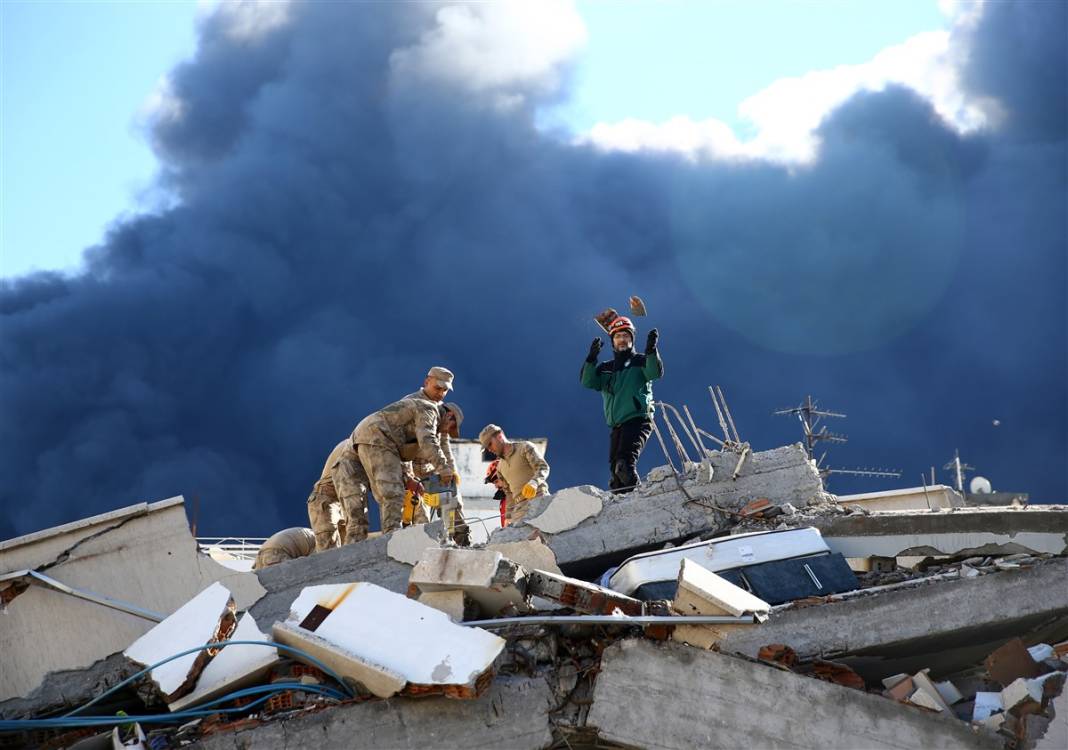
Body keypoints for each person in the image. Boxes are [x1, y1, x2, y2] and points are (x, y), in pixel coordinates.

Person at [580, 316, 663, 493]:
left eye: (626, 335)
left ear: (632, 339)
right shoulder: (605, 368)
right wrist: (591, 358)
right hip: (617, 425)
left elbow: (654, 372)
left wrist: (651, 350)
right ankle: (623, 507)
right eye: (618, 336)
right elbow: (588, 382)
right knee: (616, 476)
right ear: (612, 341)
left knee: (624, 465)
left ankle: (639, 499)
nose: (622, 340)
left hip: (637, 419)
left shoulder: (640, 361)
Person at [351, 395, 456, 533]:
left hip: (373, 438)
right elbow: (428, 441)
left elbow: (404, 455)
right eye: (451, 427)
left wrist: (409, 478)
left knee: (388, 494)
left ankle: (390, 537)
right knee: (393, 493)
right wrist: (444, 469)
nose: (446, 432)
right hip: (379, 437)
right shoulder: (430, 410)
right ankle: (392, 539)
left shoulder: (417, 421)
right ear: (449, 416)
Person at [306, 439, 370, 552]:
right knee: (330, 551)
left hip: (339, 498)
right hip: (326, 499)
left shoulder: (359, 442)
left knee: (350, 538)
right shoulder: (360, 444)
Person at [478, 424, 550, 525]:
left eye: (490, 444)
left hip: (539, 500)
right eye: (487, 447)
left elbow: (542, 467)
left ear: (500, 436)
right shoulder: (499, 468)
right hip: (520, 510)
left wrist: (534, 482)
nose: (489, 449)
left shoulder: (525, 448)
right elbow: (508, 493)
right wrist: (508, 517)